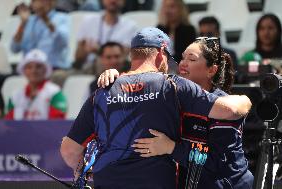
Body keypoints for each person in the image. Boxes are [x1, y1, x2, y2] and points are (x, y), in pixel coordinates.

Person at [60, 27, 252, 189]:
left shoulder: (102, 91)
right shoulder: (173, 86)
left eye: (191, 59)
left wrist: (83, 176)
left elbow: (69, 150)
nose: (181, 64)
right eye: (178, 58)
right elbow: (230, 111)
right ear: (161, 52)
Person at [5, 49, 67, 120]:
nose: (33, 71)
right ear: (24, 71)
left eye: (38, 67)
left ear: (45, 70)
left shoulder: (55, 93)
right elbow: (9, 125)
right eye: (29, 67)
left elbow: (57, 124)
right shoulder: (15, 97)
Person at [74, 0, 138, 69]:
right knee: (61, 76)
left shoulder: (130, 26)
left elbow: (122, 57)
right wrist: (84, 50)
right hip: (88, 67)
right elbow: (78, 58)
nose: (113, 1)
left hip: (113, 70)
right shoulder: (88, 21)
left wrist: (98, 50)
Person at [11, 0, 70, 69]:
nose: (39, 4)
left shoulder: (63, 18)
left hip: (54, 67)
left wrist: (46, 20)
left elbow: (63, 43)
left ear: (52, 2)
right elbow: (14, 49)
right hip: (30, 70)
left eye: (43, 1)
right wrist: (23, 24)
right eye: (35, 1)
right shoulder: (28, 20)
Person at [157, 0, 196, 68]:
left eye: (172, 7)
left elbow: (188, 55)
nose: (168, 11)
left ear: (181, 9)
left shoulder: (189, 30)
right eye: (166, 7)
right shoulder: (159, 29)